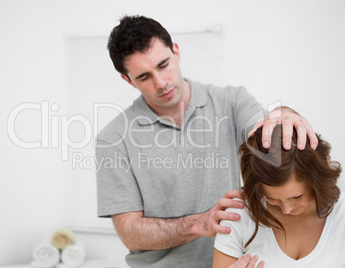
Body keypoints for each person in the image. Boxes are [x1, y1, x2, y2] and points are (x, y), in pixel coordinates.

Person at [96, 15, 317, 267]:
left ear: (176, 52)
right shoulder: (113, 139)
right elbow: (130, 234)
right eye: (144, 77)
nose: (161, 83)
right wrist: (198, 224)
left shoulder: (232, 101)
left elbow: (269, 135)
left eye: (163, 64)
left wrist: (284, 115)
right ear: (127, 80)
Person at [213, 126, 343, 267]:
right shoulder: (239, 214)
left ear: (317, 182)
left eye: (297, 197)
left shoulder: (340, 214)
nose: (286, 209)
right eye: (271, 198)